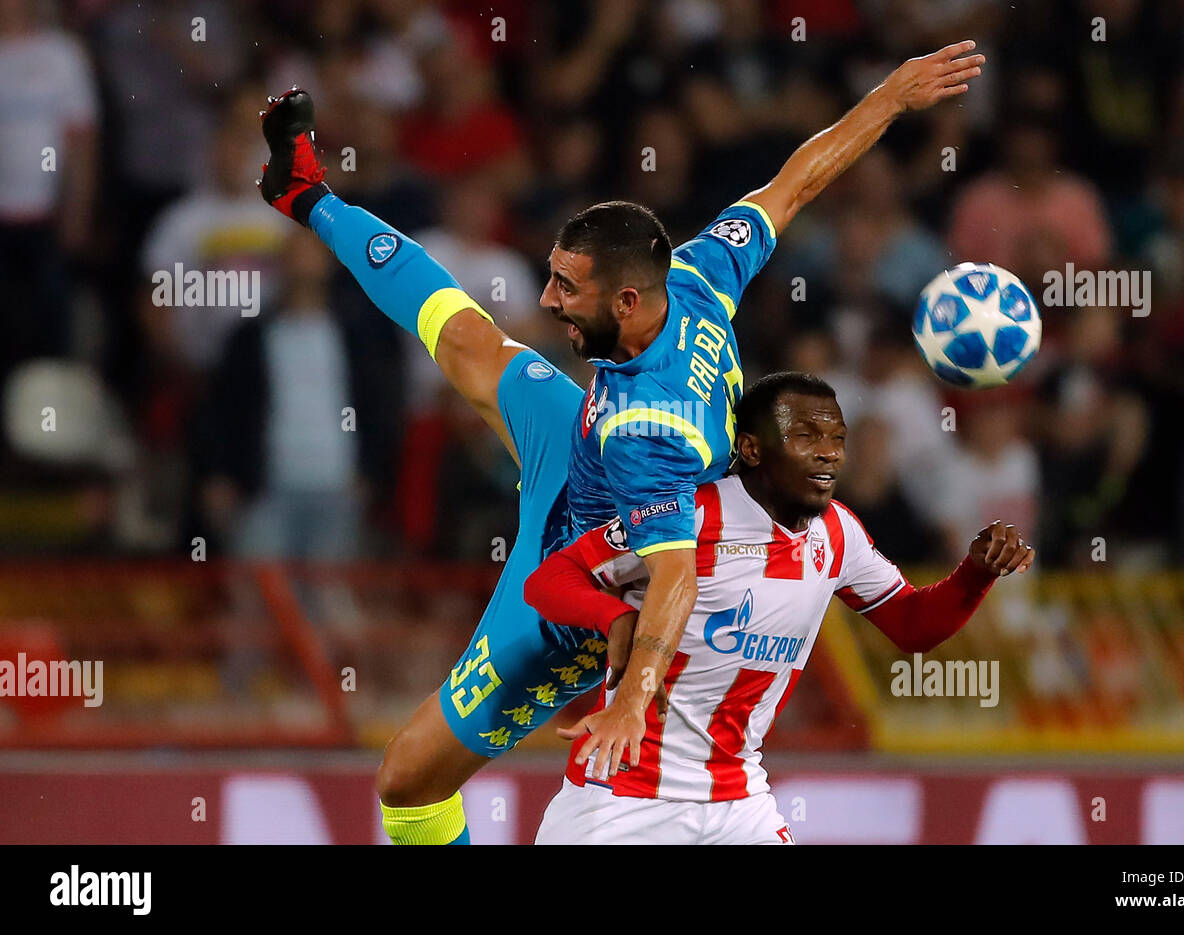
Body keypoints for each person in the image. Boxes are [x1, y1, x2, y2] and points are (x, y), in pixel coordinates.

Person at [255, 41, 985, 845]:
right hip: (577, 447)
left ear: (630, 300)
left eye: (568, 289)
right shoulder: (701, 278)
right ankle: (306, 193)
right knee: (469, 340)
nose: (548, 299)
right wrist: (887, 96)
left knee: (406, 781)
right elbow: (791, 187)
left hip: (581, 575)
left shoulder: (651, 434)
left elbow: (670, 575)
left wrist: (632, 693)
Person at [525, 373, 1033, 844]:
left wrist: (975, 574)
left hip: (737, 802)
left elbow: (912, 625)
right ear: (751, 448)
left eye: (837, 440)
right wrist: (613, 617)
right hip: (623, 794)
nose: (829, 454)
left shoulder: (839, 534)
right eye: (807, 437)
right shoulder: (689, 515)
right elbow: (550, 579)